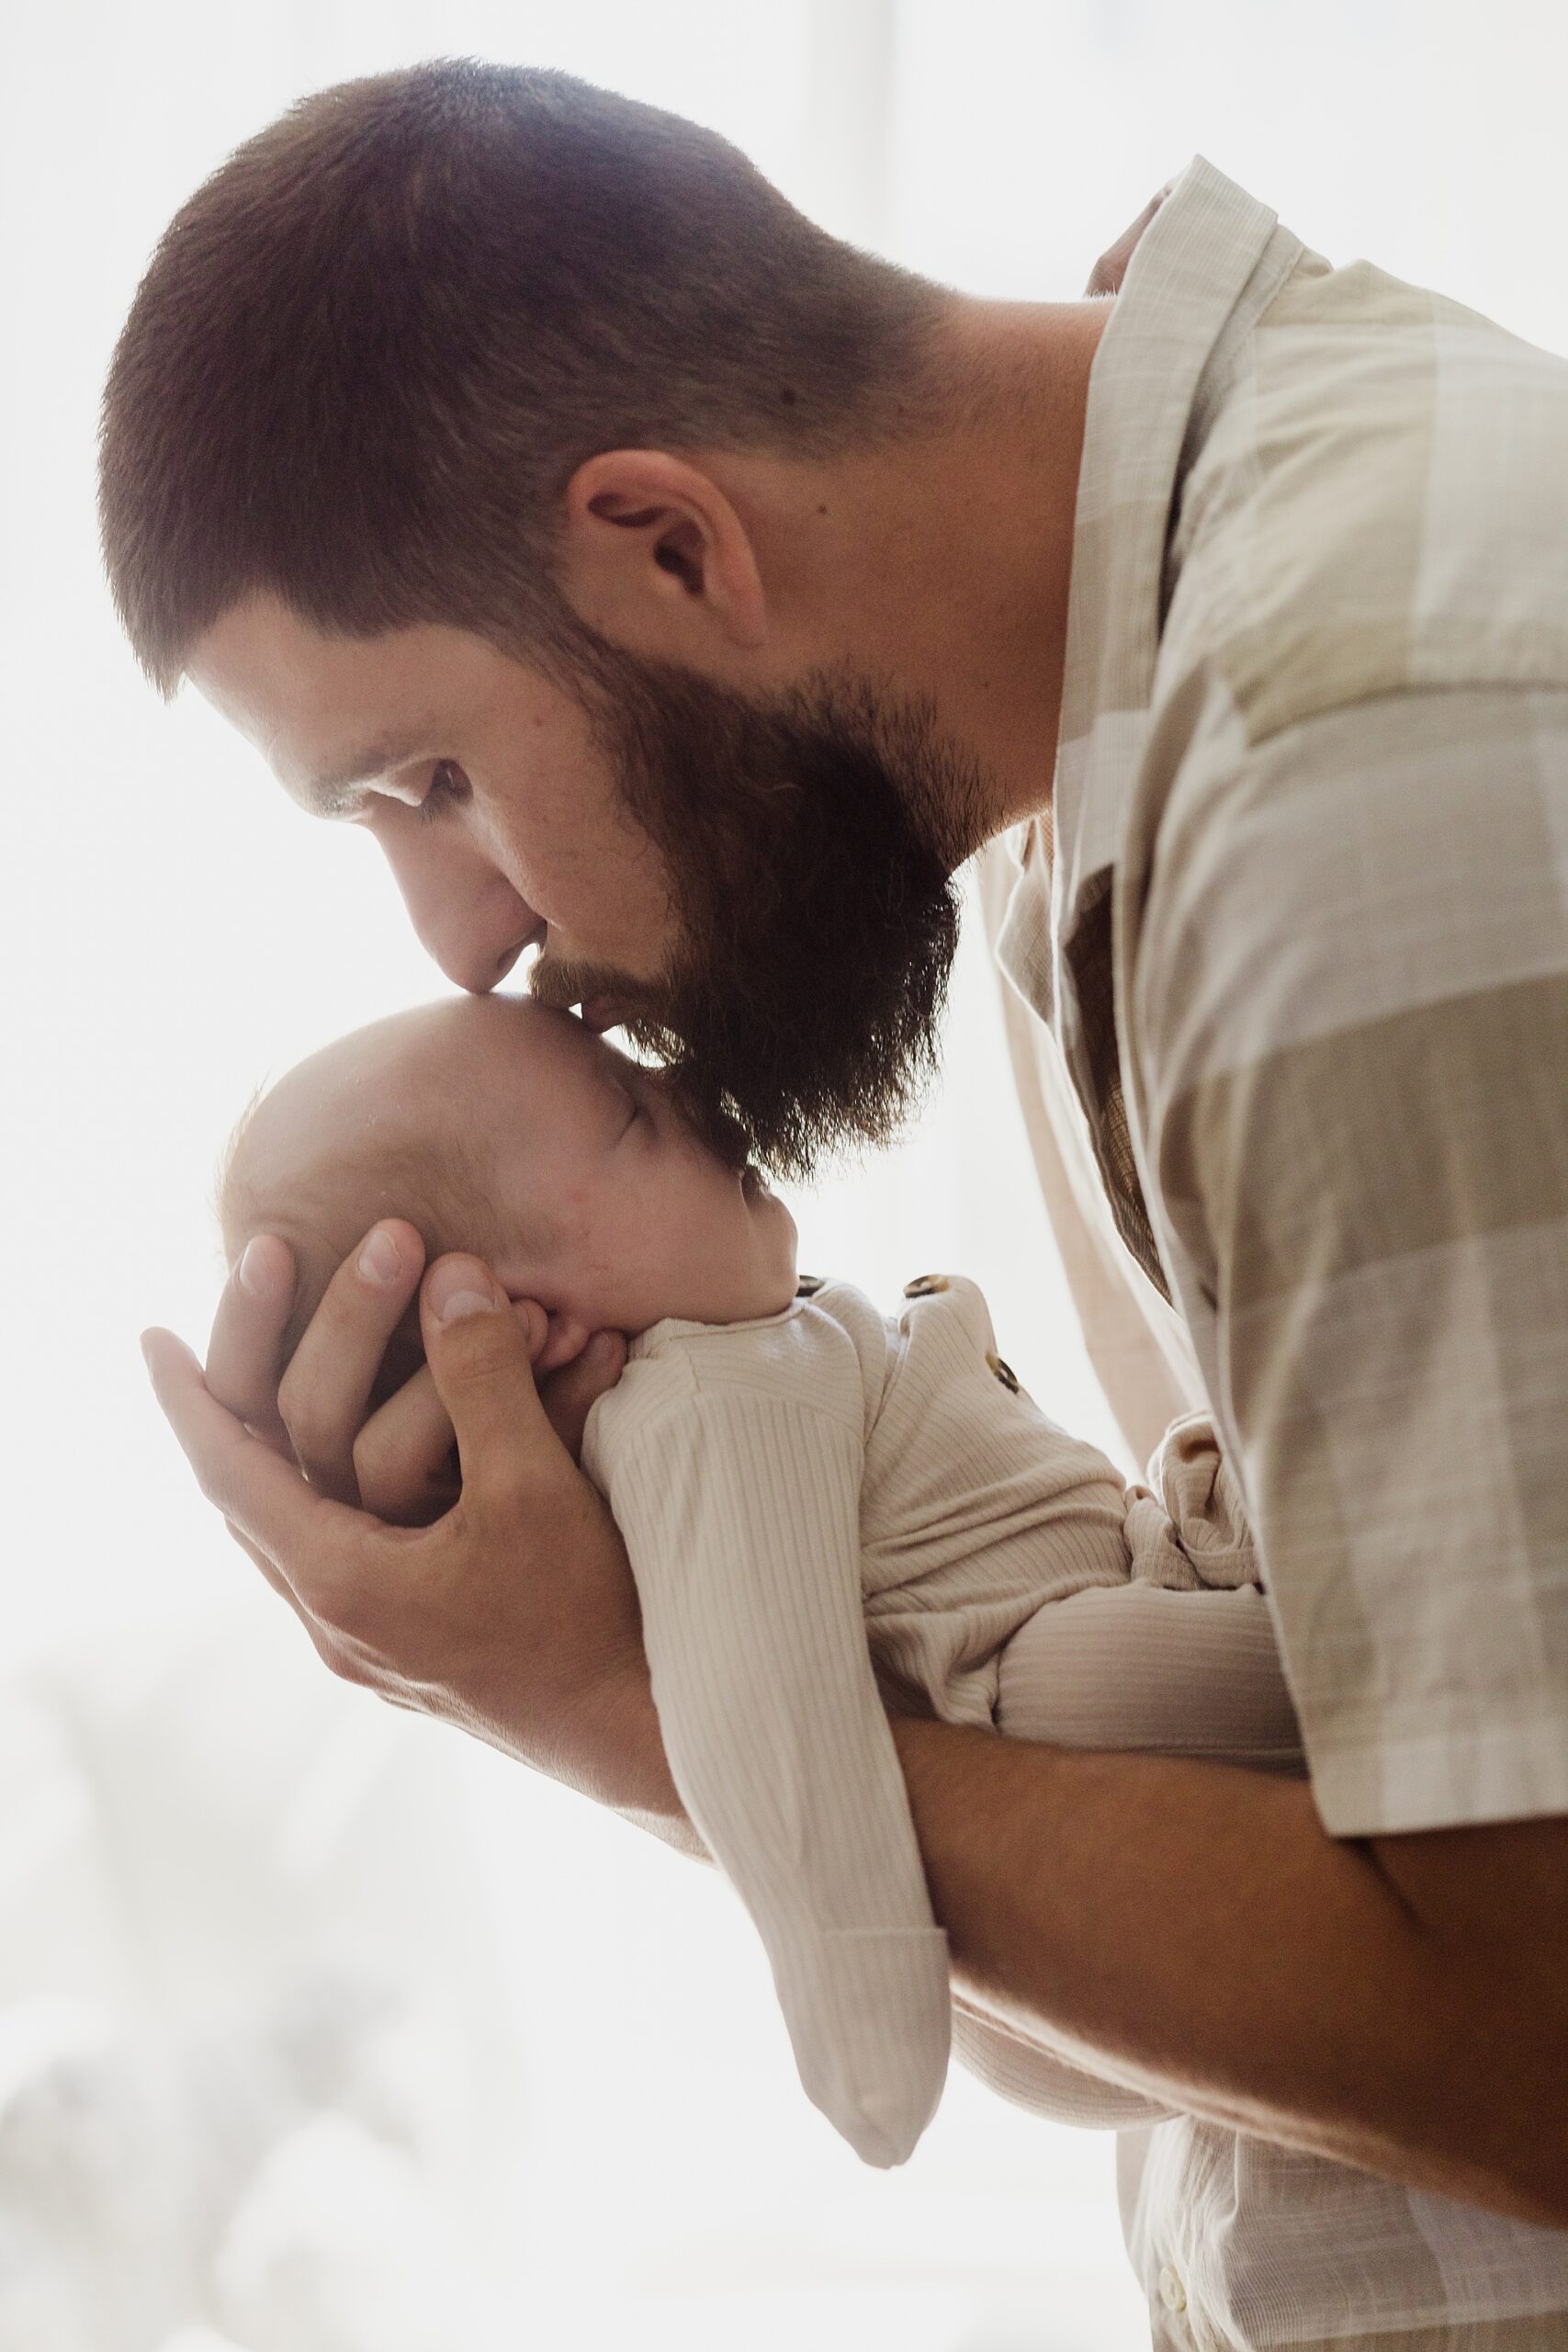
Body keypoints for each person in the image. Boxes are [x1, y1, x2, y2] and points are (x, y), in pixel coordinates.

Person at [99, 59, 1568, 2349]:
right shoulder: (1085, 764)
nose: (458, 942)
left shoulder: (1335, 766)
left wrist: (621, 1702)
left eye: (429, 777)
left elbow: (1525, 2035)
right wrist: (661, 1636)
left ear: (668, 541)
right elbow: (1280, 1912)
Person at [215, 989, 1297, 2170]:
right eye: (630, 1113)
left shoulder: (741, 1357)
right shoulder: (706, 1402)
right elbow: (768, 1712)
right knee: (1275, 1665)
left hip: (1088, 1766)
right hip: (1063, 1722)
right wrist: (866, 2036)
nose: (697, 1093)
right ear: (528, 1317)